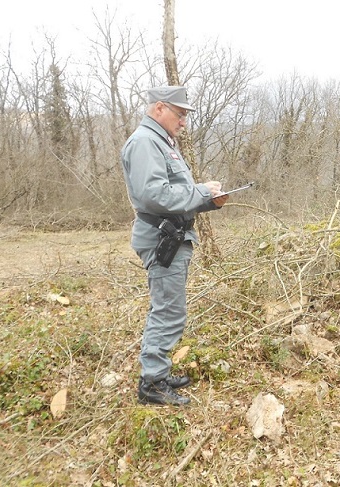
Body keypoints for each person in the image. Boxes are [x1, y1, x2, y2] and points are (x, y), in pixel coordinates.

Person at [120, 85, 229, 406]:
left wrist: (210, 200)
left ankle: (159, 373)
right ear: (158, 109)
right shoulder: (144, 143)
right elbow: (155, 195)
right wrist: (202, 190)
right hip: (161, 239)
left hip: (173, 235)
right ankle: (151, 384)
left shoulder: (161, 142)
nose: (183, 122)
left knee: (168, 308)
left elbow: (175, 195)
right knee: (168, 311)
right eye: (179, 114)